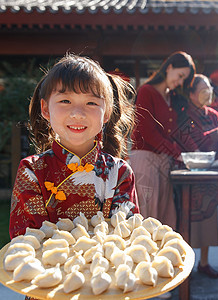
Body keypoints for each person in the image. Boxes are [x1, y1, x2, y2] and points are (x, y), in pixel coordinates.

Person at [9, 54, 139, 239]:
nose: (78, 114)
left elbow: (127, 237)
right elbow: (28, 242)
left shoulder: (119, 173)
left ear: (107, 113)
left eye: (91, 103)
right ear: (45, 109)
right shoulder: (32, 171)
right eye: (65, 101)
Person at [180, 74, 218, 278]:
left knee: (208, 217)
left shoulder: (213, 114)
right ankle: (183, 262)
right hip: (188, 174)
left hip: (209, 173)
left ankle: (204, 262)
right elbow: (193, 142)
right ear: (191, 93)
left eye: (209, 88)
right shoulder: (184, 114)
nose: (208, 93)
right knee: (186, 219)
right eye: (202, 89)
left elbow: (214, 141)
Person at [129, 51, 196, 230]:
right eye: (180, 76)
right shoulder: (146, 91)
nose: (180, 82)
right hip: (145, 158)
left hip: (164, 161)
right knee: (146, 216)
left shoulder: (170, 97)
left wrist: (194, 153)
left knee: (165, 217)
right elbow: (147, 131)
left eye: (184, 79)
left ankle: (163, 258)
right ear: (169, 67)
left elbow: (175, 131)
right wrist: (177, 153)